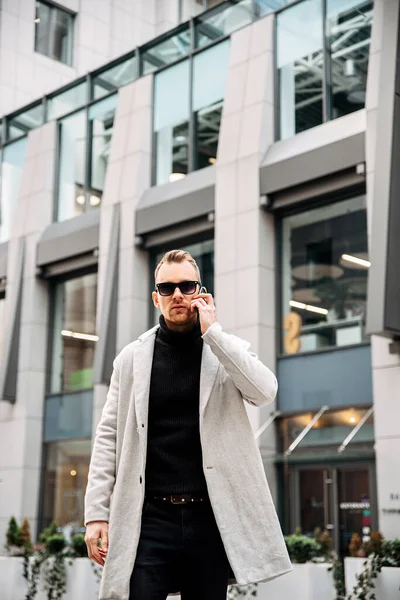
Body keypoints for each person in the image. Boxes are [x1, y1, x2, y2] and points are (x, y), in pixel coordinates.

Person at [84, 249, 291, 600]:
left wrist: (215, 334)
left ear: (201, 292)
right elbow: (108, 437)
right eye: (167, 288)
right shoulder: (132, 359)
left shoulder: (225, 350)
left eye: (186, 285)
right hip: (149, 518)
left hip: (209, 518)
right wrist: (95, 515)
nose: (177, 294)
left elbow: (265, 391)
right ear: (156, 298)